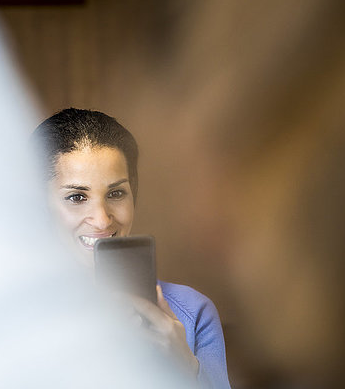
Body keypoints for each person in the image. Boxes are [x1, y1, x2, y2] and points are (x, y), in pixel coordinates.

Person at [32, 108, 231, 388]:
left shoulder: (193, 313)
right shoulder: (1, 314)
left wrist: (185, 367)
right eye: (77, 197)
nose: (101, 219)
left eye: (116, 193)